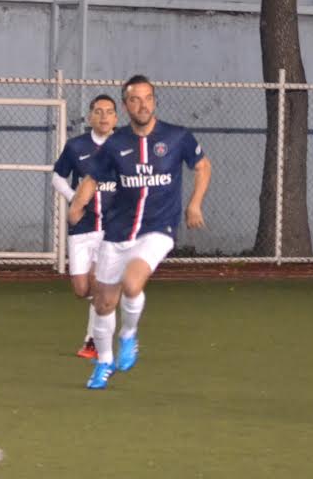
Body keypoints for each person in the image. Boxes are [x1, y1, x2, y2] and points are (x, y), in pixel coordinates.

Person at [69, 74, 212, 389]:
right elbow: (93, 178)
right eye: (135, 99)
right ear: (126, 105)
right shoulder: (115, 144)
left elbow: (203, 166)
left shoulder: (177, 137)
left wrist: (195, 204)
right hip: (118, 232)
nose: (143, 105)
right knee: (103, 304)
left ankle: (129, 335)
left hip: (158, 228)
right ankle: (104, 362)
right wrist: (77, 205)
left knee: (132, 283)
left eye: (148, 98)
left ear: (155, 101)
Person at [50, 93, 119, 358]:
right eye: (98, 111)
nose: (103, 117)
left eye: (109, 112)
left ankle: (94, 340)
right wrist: (75, 200)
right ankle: (101, 307)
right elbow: (58, 178)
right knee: (82, 289)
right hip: (81, 227)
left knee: (100, 284)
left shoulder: (126, 147)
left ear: (116, 117)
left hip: (111, 229)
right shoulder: (76, 146)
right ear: (90, 117)